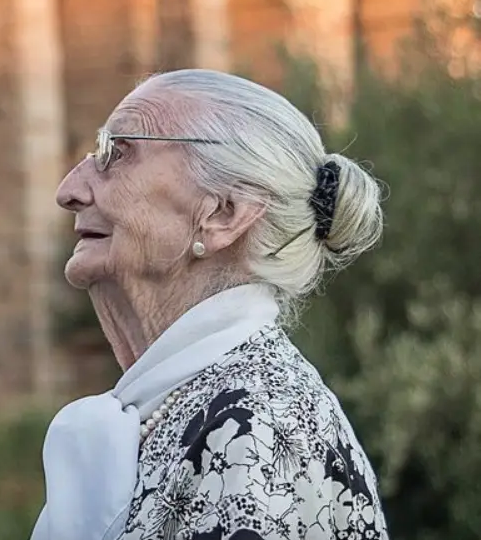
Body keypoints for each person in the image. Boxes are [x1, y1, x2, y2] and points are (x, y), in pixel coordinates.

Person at [31, 69, 389, 540]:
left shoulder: (257, 428)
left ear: (224, 214)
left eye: (116, 154)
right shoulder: (199, 402)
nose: (69, 191)